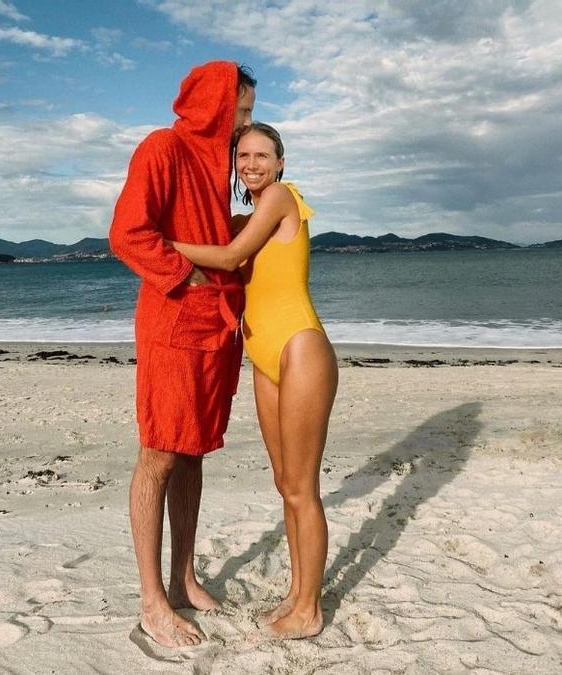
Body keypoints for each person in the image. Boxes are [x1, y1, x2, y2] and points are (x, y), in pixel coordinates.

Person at [167, 122, 338, 639]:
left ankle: (309, 611)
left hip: (299, 347)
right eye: (242, 156)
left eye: (263, 154)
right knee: (285, 485)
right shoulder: (250, 215)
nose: (252, 164)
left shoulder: (282, 197)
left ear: (281, 162)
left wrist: (158, 241)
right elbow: (219, 233)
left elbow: (229, 257)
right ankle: (296, 595)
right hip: (263, 356)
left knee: (302, 489)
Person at [107, 60, 256, 648]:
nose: (245, 125)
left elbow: (217, 231)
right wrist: (187, 273)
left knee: (192, 453)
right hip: (173, 324)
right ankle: (151, 602)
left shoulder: (220, 163)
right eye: (240, 112)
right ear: (215, 104)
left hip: (213, 329)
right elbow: (127, 233)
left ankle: (183, 577)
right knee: (159, 454)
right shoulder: (162, 148)